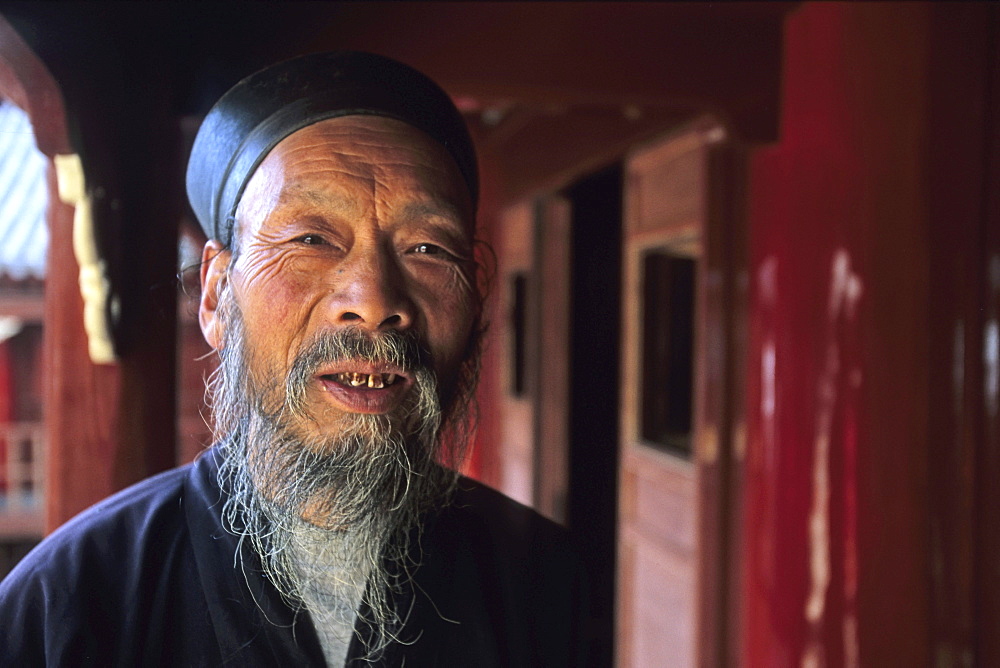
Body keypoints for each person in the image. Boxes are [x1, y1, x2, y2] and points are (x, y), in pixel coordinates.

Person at [0, 52, 591, 666]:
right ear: (215, 295)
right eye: (311, 239)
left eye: (427, 248)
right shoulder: (71, 600)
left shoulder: (540, 578)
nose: (373, 301)